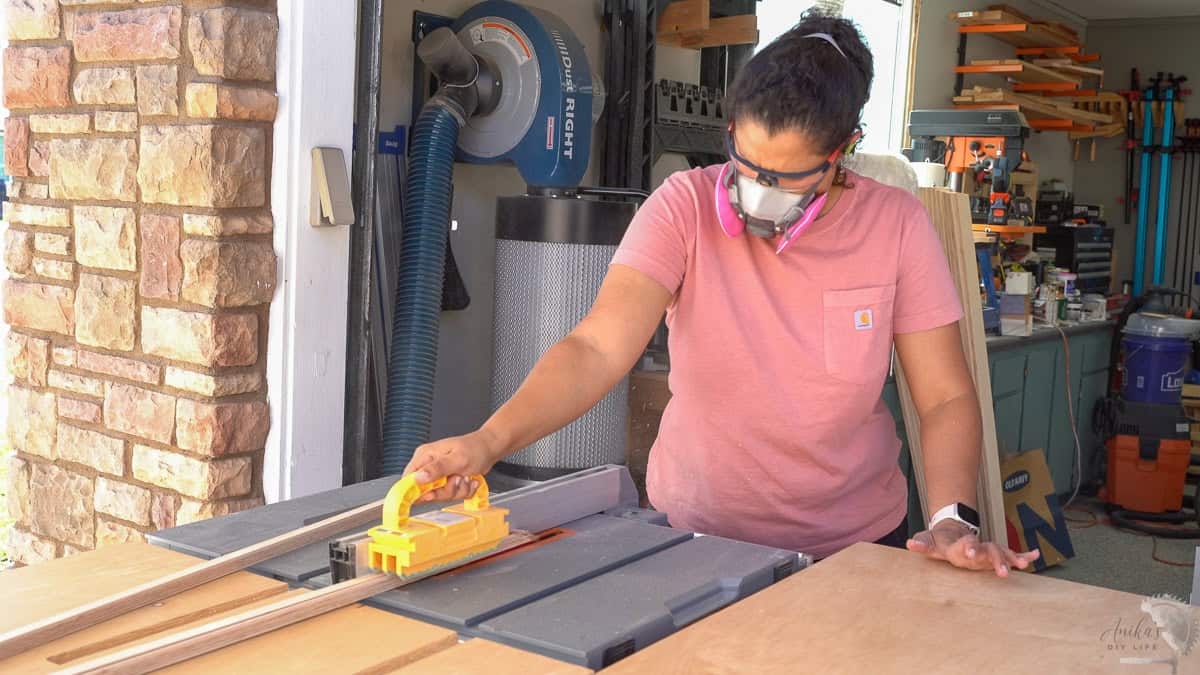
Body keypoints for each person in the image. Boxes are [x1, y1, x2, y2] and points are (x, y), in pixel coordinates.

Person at [404, 12, 1039, 575]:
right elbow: (596, 348)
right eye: (746, 163)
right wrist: (488, 441)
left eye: (786, 179)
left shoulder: (896, 225)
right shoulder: (682, 207)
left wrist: (952, 518)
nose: (757, 191)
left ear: (842, 153)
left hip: (853, 546)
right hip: (696, 537)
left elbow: (945, 396)